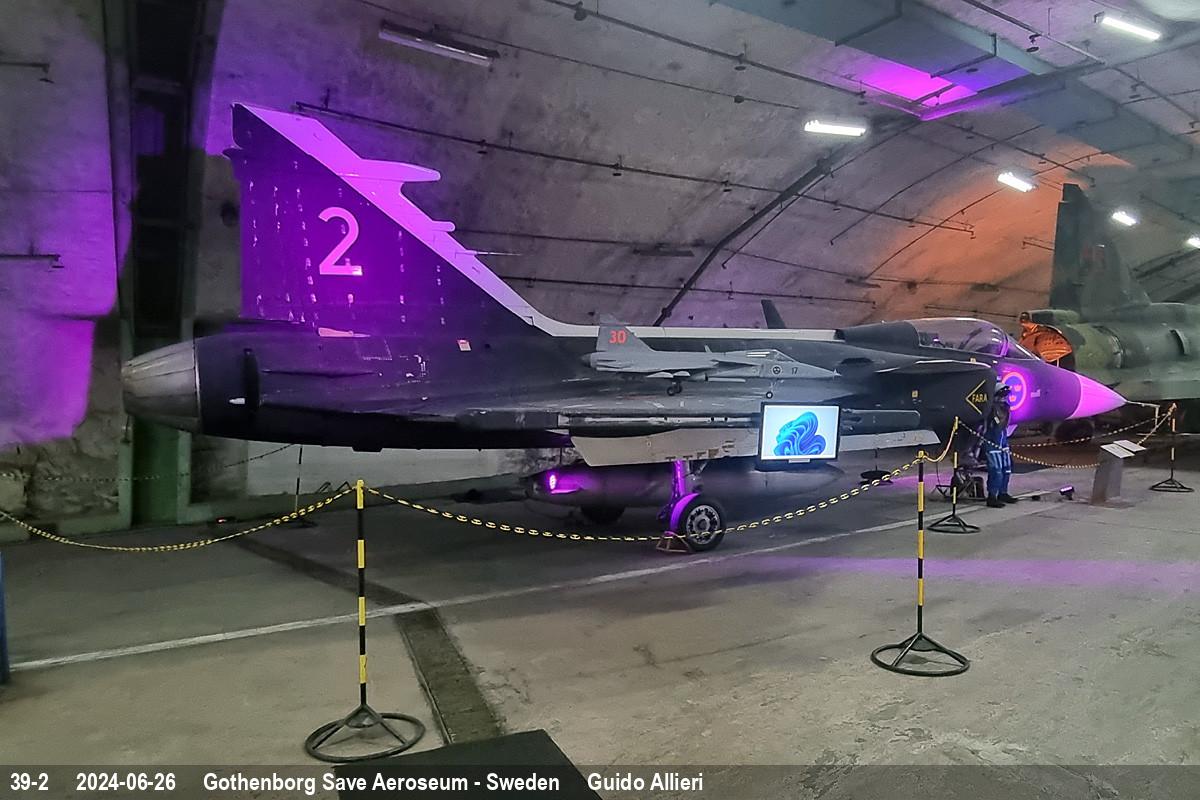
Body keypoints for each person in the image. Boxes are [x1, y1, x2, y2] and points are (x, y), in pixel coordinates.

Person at [982, 384, 1018, 508]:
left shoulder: (1005, 408)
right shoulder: (990, 410)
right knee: (996, 470)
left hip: (1003, 442)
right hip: (992, 443)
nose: (1004, 398)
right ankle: (992, 496)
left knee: (1006, 469)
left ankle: (1003, 493)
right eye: (1001, 396)